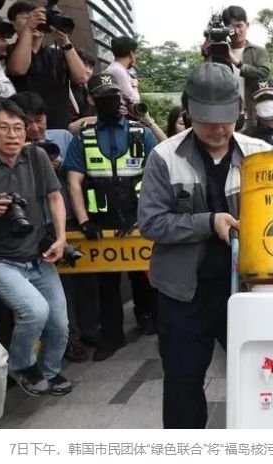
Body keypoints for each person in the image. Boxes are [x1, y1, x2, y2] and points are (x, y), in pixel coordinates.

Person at [137, 62, 273, 429]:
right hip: (182, 293)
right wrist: (209, 222)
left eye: (226, 118)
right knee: (183, 382)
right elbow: (152, 223)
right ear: (188, 110)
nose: (218, 129)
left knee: (258, 376)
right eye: (207, 120)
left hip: (246, 288)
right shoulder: (164, 157)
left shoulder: (258, 153)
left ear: (239, 111)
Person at [63, 73, 159, 361]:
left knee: (145, 275)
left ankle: (148, 318)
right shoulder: (84, 138)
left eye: (115, 95)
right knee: (106, 284)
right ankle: (112, 336)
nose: (111, 101)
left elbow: (157, 177)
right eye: (104, 96)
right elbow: (73, 182)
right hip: (101, 222)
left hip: (139, 219)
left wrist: (147, 215)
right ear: (92, 100)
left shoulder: (141, 133)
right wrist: (83, 221)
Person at [0, 98, 72, 396]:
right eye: (4, 128)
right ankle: (21, 367)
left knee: (59, 323)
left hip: (39, 255)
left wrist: (61, 238)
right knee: (35, 312)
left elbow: (55, 198)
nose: (13, 135)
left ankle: (48, 373)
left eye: (18, 128)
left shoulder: (36, 157)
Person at [6, 1, 89, 129]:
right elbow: (18, 69)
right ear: (13, 24)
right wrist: (28, 29)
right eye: (26, 18)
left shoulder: (58, 53)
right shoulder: (9, 51)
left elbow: (82, 77)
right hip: (24, 130)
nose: (33, 22)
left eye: (37, 18)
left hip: (59, 128)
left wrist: (65, 41)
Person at [210, 5, 270, 129]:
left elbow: (263, 74)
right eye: (232, 27)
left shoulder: (259, 52)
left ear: (247, 25)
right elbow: (209, 80)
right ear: (226, 29)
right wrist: (207, 54)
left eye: (239, 26)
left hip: (253, 115)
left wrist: (236, 62)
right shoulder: (218, 50)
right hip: (226, 116)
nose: (236, 31)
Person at [242, 78, 273, 147]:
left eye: (271, 97)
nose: (267, 102)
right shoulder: (245, 138)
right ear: (253, 104)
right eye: (261, 99)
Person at [105, 36, 140, 103]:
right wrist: (135, 85)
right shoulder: (118, 71)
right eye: (136, 53)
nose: (137, 56)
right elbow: (134, 99)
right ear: (131, 54)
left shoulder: (113, 68)